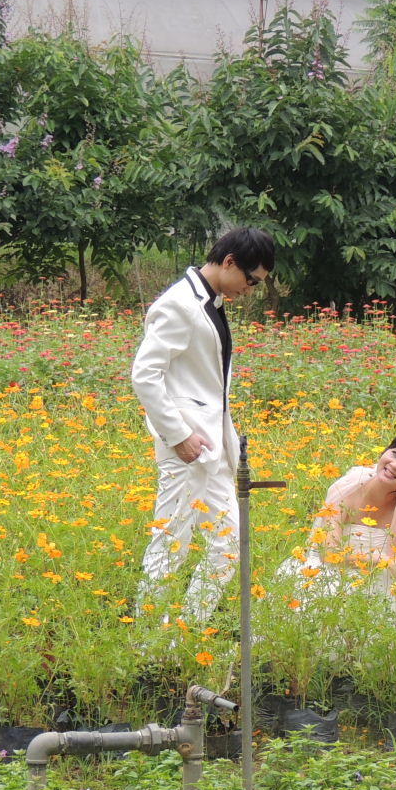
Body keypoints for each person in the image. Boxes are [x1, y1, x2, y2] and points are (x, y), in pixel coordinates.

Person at [131, 227, 275, 624]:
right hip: (186, 447)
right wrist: (178, 436)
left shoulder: (210, 303)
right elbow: (145, 375)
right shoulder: (179, 304)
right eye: (251, 280)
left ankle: (189, 629)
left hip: (212, 448)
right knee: (171, 540)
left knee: (231, 541)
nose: (250, 289)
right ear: (229, 262)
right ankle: (148, 641)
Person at [279, 431, 396, 609]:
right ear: (384, 451)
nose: (395, 465)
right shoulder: (348, 489)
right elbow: (329, 554)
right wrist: (380, 559)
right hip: (335, 574)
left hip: (385, 581)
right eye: (395, 454)